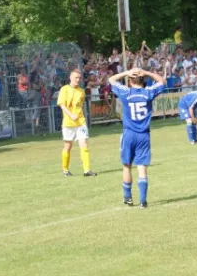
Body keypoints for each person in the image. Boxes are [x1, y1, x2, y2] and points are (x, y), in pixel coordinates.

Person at [109, 67, 166, 208]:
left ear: (130, 81)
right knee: (141, 167)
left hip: (129, 134)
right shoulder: (148, 92)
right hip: (143, 135)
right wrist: (147, 72)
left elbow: (111, 80)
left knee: (126, 166)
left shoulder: (126, 92)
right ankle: (143, 201)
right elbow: (162, 81)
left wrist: (125, 73)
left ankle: (128, 197)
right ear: (143, 80)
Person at [57, 69, 97, 177]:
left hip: (80, 122)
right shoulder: (64, 89)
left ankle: (87, 170)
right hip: (68, 123)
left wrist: (77, 115)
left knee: (84, 144)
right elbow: (62, 105)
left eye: (79, 78)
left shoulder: (81, 91)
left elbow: (79, 106)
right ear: (70, 77)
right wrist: (71, 115)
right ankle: (65, 170)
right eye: (76, 77)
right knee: (68, 146)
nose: (77, 80)